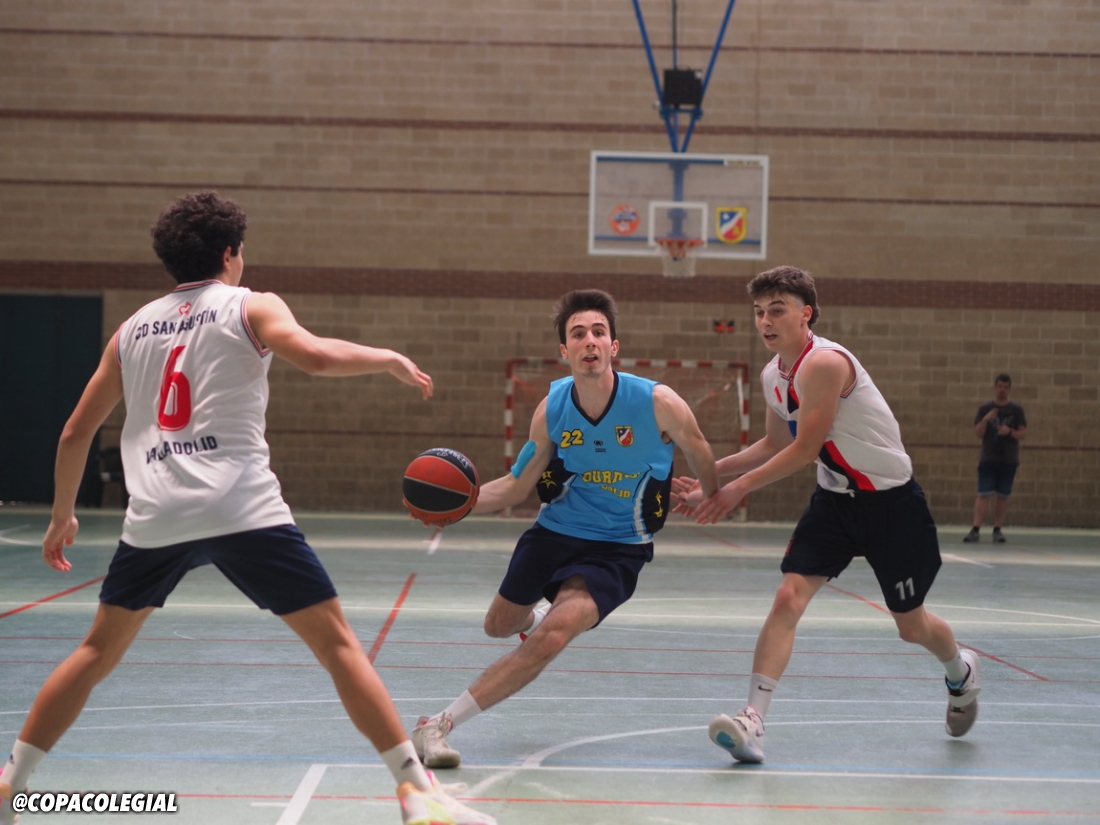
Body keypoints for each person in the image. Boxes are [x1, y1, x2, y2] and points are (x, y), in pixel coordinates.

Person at [0, 192, 495, 825]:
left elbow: (75, 433)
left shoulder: (131, 331)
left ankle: (12, 785)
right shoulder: (250, 305)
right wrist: (388, 358)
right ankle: (413, 790)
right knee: (339, 646)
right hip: (241, 507)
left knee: (95, 653)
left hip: (157, 513)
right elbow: (315, 356)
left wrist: (61, 516)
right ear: (231, 253)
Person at [672, 265, 980, 764]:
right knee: (787, 597)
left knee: (911, 626)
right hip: (835, 503)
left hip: (892, 506)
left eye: (777, 310)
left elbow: (804, 449)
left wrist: (736, 490)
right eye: (759, 312)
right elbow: (774, 442)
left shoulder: (825, 363)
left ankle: (960, 672)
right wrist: (710, 474)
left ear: (806, 314)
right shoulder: (773, 374)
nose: (765, 321)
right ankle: (752, 720)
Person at [409, 289, 720, 768]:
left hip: (618, 547)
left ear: (614, 345)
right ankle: (535, 619)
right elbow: (517, 486)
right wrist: (458, 506)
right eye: (578, 334)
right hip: (554, 533)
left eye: (599, 332)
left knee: (554, 636)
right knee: (498, 626)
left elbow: (700, 451)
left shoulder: (658, 403)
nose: (589, 341)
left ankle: (436, 726)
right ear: (564, 350)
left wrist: (709, 491)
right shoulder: (552, 409)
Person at [963, 374, 1027, 544]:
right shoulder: (986, 408)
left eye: (1005, 387)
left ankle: (997, 529)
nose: (1002, 390)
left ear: (1009, 389)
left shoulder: (1016, 410)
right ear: (995, 387)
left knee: (1002, 495)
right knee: (983, 494)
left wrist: (1010, 432)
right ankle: (975, 529)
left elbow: (1022, 433)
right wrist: (985, 420)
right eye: (1000, 386)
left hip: (1008, 458)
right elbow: (978, 433)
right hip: (988, 457)